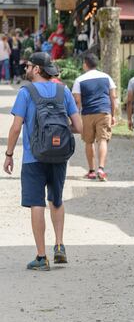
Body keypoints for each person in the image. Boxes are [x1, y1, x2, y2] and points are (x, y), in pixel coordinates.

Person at [4, 52, 82, 270]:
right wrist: (58, 134)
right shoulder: (63, 90)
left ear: (37, 69)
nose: (26, 69)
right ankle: (59, 246)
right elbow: (79, 126)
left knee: (36, 203)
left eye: (28, 66)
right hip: (59, 155)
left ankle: (41, 256)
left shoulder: (26, 92)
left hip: (33, 157)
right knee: (56, 199)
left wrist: (9, 154)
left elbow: (16, 127)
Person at [72, 53, 117, 181]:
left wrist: (77, 117)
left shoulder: (79, 80)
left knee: (88, 141)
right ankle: (101, 169)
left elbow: (77, 101)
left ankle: (91, 170)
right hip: (104, 111)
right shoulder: (107, 77)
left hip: (88, 113)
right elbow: (113, 97)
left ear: (85, 64)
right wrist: (112, 114)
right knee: (102, 140)